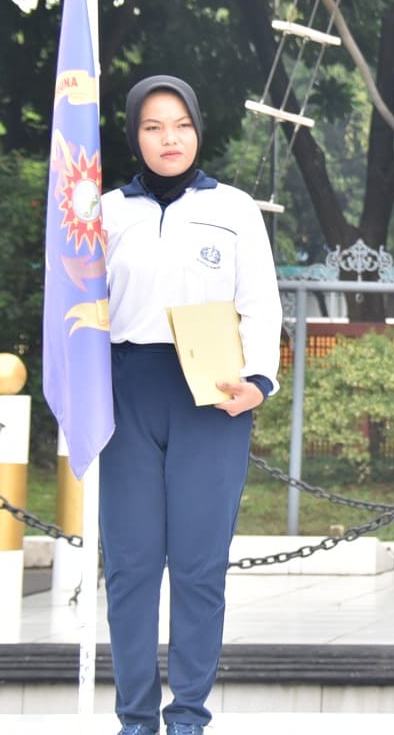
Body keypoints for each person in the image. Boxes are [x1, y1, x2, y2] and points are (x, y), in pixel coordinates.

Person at [99, 75, 283, 735]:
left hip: (212, 395)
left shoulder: (233, 207)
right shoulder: (104, 213)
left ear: (198, 128)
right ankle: (136, 717)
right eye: (152, 126)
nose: (168, 138)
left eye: (179, 124)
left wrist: (259, 379)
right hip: (129, 391)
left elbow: (261, 301)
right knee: (130, 565)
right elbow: (77, 310)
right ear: (134, 136)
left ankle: (188, 717)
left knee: (200, 565)